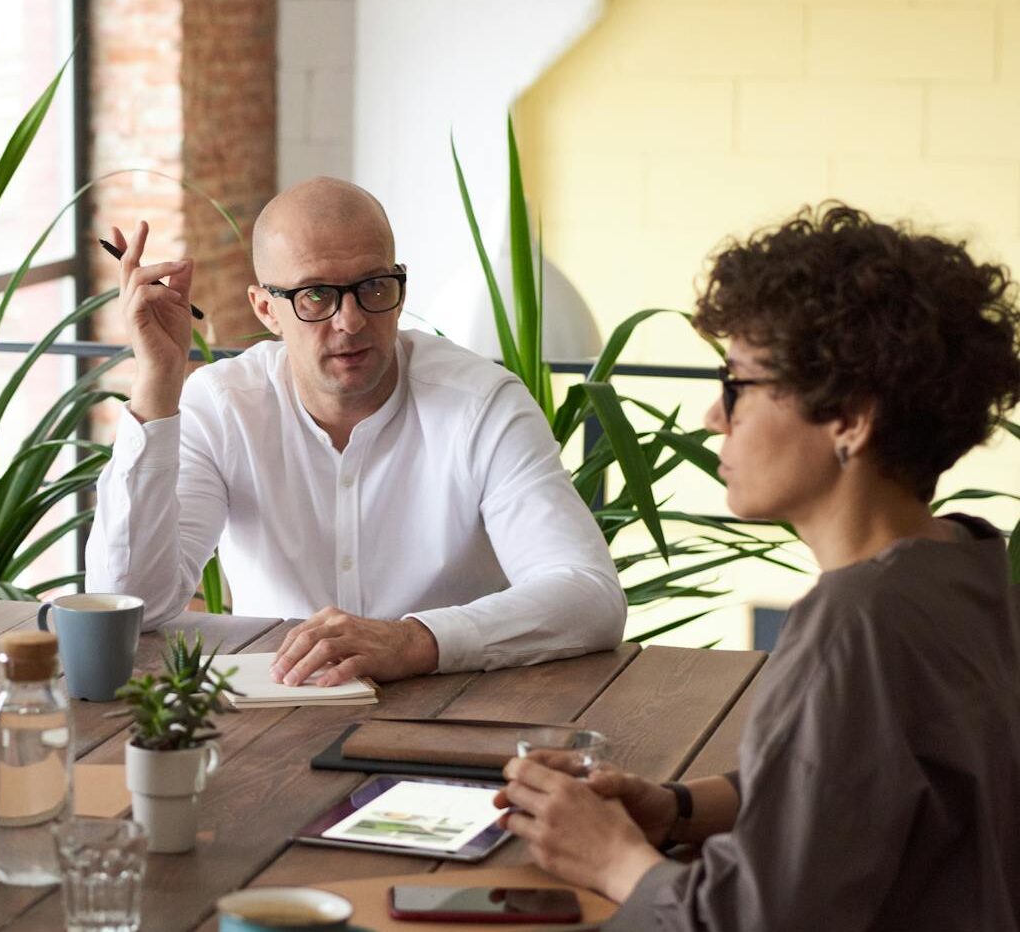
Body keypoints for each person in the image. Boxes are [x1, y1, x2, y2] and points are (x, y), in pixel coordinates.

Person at [496, 204, 1020, 930]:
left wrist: (613, 858)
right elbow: (860, 789)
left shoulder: (856, 622)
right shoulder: (966, 564)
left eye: (738, 382)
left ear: (851, 419)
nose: (715, 414)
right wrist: (678, 809)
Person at [85, 177, 624, 684]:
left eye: (372, 286)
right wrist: (156, 382)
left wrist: (412, 641)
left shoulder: (481, 405)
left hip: (453, 710)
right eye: (316, 295)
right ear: (267, 309)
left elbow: (589, 596)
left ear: (400, 288)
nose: (351, 321)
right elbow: (127, 606)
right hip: (277, 712)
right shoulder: (224, 406)